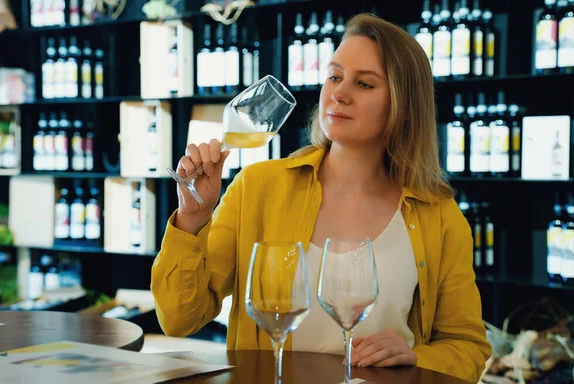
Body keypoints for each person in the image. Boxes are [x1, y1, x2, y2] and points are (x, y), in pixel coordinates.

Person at [151, 13, 491, 383]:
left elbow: (467, 347)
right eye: (334, 76)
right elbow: (179, 319)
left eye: (364, 84)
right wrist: (192, 217)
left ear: (403, 105)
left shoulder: (439, 215)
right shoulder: (258, 187)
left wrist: (416, 356)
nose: (339, 93)